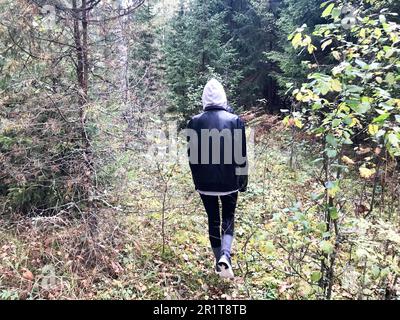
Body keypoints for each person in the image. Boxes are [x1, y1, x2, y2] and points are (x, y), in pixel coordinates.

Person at [187, 79, 248, 279]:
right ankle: (225, 256)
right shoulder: (235, 120)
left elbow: (192, 157)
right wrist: (243, 180)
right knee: (228, 217)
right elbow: (241, 155)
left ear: (204, 98)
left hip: (204, 183)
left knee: (213, 219)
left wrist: (197, 181)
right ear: (223, 97)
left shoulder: (194, 122)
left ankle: (218, 262)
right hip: (229, 182)